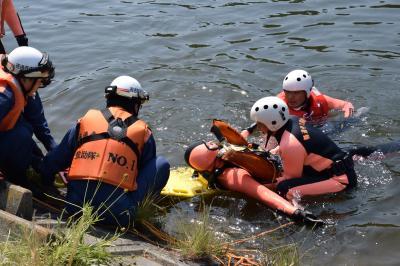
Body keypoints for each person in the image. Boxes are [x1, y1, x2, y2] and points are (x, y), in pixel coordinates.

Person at [39, 75, 170, 228]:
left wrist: (45, 183)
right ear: (135, 105)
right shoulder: (144, 133)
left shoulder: (83, 122)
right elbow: (142, 174)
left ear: (108, 98)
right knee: (161, 164)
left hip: (74, 207)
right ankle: (138, 212)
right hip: (118, 216)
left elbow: (52, 162)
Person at [184, 140, 322, 225]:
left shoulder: (220, 162)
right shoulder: (232, 176)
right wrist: (296, 212)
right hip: (280, 179)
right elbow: (261, 193)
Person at [249, 96, 357, 201]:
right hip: (338, 169)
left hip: (340, 180)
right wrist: (277, 150)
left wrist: (256, 186)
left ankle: (293, 217)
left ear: (272, 123)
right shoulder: (293, 119)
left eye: (260, 124)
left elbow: (290, 178)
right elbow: (302, 144)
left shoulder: (290, 144)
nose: (258, 128)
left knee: (284, 188)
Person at [0, 46, 56, 187]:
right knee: (21, 135)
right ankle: (17, 180)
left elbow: (38, 122)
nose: (41, 85)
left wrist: (55, 153)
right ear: (26, 79)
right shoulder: (4, 97)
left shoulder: (22, 84)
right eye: (39, 81)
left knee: (26, 132)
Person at [278, 69, 354, 122]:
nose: (290, 97)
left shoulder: (319, 100)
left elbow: (346, 105)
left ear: (307, 92)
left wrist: (347, 119)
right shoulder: (277, 107)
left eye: (296, 93)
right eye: (287, 92)